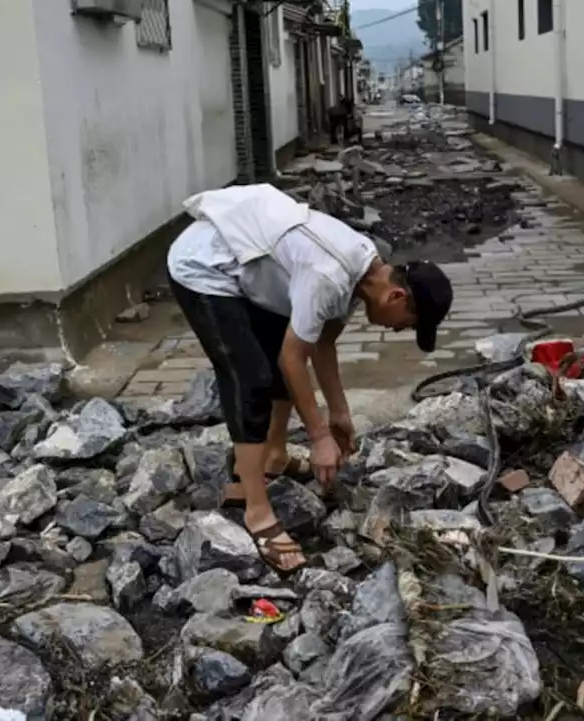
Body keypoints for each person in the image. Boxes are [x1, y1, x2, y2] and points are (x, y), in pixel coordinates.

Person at [166, 184, 453, 572]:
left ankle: (275, 456)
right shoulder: (330, 273)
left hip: (253, 271)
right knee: (251, 378)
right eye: (407, 325)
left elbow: (321, 343)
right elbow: (293, 358)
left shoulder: (364, 271)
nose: (397, 332)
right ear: (397, 297)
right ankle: (257, 510)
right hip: (205, 265)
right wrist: (317, 437)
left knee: (285, 359)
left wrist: (338, 414)